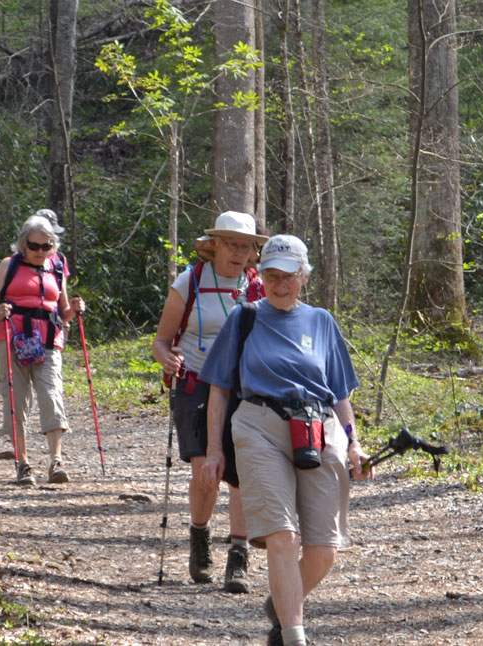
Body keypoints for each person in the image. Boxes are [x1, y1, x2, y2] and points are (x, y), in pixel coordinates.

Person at [198, 234, 365, 646]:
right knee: (283, 535)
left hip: (317, 427)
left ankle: (281, 604)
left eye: (288, 276)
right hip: (258, 425)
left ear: (304, 277)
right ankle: (293, 636)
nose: (279, 284)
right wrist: (214, 451)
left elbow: (340, 392)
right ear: (262, 275)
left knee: (324, 549)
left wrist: (354, 443)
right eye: (271, 275)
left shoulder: (322, 321)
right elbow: (218, 387)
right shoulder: (246, 317)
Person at [149, 211, 267, 593]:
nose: (238, 252)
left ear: (253, 252)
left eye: (245, 245)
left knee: (242, 472)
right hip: (196, 382)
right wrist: (165, 357)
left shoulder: (258, 287)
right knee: (206, 472)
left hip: (243, 387)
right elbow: (161, 340)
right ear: (214, 245)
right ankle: (200, 539)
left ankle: (238, 557)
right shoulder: (191, 280)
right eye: (231, 244)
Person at [0, 212, 85, 485]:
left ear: (54, 245)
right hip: (11, 336)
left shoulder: (58, 265)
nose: (41, 251)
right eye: (34, 246)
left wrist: (74, 310)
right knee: (17, 399)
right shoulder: (9, 265)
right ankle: (23, 463)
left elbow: (62, 311)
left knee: (51, 394)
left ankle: (56, 461)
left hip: (49, 338)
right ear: (23, 244)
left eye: (47, 245)